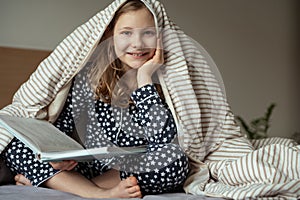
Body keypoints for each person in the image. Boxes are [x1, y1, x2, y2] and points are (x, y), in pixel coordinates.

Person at [0, 0, 189, 198]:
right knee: (15, 144)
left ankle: (60, 185)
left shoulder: (167, 83)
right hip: (89, 168)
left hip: (133, 171)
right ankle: (98, 193)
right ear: (110, 34)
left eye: (148, 33)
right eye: (126, 33)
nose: (138, 43)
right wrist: (57, 158)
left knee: (174, 162)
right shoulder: (90, 76)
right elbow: (59, 132)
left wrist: (144, 80)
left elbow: (164, 143)